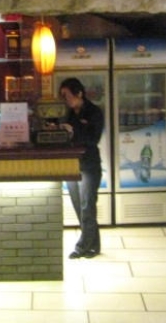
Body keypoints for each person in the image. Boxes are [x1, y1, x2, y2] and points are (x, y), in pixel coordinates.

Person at [59, 77, 104, 259]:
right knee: (80, 206)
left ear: (79, 93)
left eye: (66, 95)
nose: (65, 100)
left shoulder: (94, 112)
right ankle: (94, 244)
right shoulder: (69, 114)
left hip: (89, 165)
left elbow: (93, 139)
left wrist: (74, 130)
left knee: (87, 206)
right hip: (71, 165)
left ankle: (82, 246)